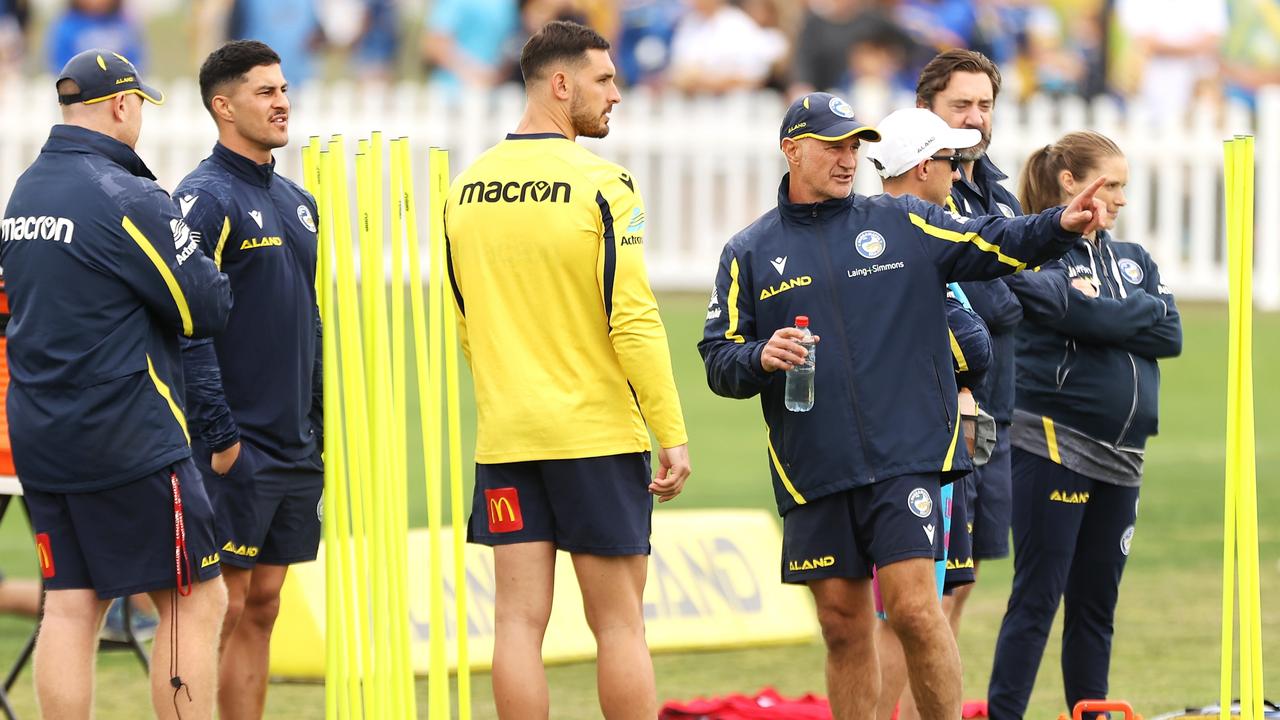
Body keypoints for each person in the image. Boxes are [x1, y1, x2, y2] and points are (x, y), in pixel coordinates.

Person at [697, 90, 1106, 720]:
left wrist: (1058, 225)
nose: (848, 157)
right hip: (814, 470)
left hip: (907, 456)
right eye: (833, 144)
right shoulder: (747, 252)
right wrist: (759, 357)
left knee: (916, 611)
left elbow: (995, 240)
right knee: (842, 625)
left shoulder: (903, 220)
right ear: (791, 150)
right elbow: (719, 361)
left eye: (854, 145)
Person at [444, 20, 692, 719]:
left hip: (508, 436)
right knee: (619, 625)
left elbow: (466, 323)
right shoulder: (603, 183)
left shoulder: (466, 188)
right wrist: (669, 429)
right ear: (561, 84)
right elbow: (634, 320)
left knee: (517, 624)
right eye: (604, 80)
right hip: (594, 434)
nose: (616, 94)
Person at [1, 48, 231, 720]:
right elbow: (204, 308)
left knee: (71, 603)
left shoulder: (26, 190)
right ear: (123, 106)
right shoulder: (125, 193)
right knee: (194, 596)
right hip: (126, 434)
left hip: (40, 431)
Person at [988, 131, 1181, 720]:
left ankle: (1091, 715)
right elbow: (1066, 310)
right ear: (1072, 183)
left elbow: (1169, 334)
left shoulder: (1134, 258)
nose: (1121, 198)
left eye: (1124, 185)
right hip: (1054, 442)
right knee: (1038, 599)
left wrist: (1106, 316)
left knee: (1097, 605)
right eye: (1112, 184)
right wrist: (1134, 314)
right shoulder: (1037, 251)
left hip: (1125, 453)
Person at [173, 40, 322, 720]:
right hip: (236, 448)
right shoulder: (203, 200)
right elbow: (183, 326)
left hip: (294, 448)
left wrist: (315, 424)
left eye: (284, 88)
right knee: (222, 607)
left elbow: (306, 320)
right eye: (265, 92)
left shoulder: (298, 201)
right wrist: (221, 437)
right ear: (223, 106)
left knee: (263, 606)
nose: (283, 102)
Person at [914, 48, 1069, 644]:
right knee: (932, 583)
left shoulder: (998, 191)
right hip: (945, 408)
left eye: (985, 105)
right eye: (961, 105)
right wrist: (1023, 288)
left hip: (999, 408)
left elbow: (1041, 290)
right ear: (926, 108)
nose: (976, 117)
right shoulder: (928, 191)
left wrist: (1018, 287)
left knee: (968, 574)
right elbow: (993, 304)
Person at [863, 106, 990, 720]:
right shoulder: (910, 242)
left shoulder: (905, 233)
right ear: (921, 167)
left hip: (918, 444)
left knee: (924, 605)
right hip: (909, 450)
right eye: (950, 160)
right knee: (904, 614)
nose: (958, 172)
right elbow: (971, 344)